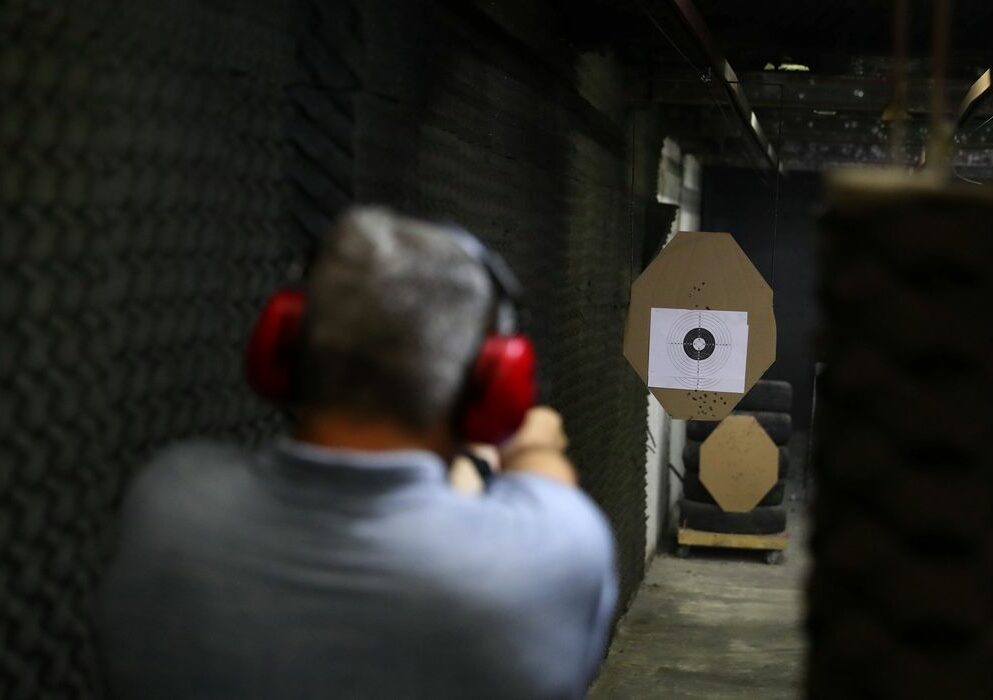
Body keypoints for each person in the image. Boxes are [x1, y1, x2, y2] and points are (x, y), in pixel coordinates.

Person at [98, 207, 618, 699]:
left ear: (282, 346)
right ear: (496, 383)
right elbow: (544, 489)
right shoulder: (557, 548)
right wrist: (525, 441)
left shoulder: (170, 499)